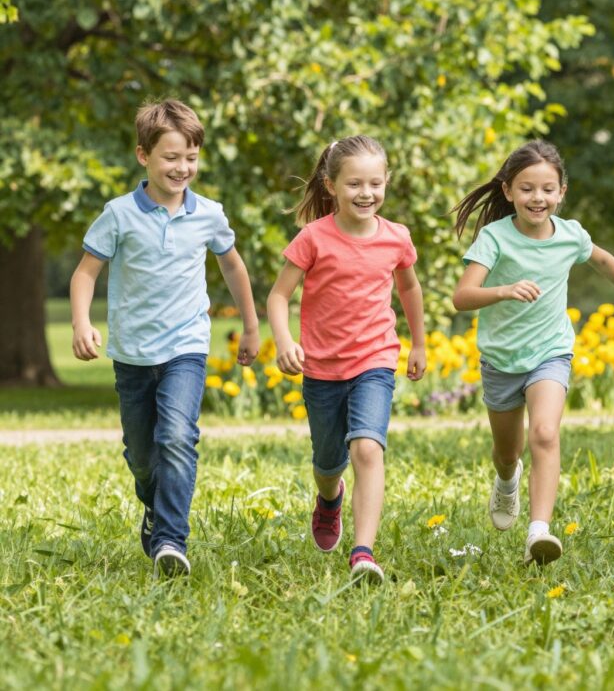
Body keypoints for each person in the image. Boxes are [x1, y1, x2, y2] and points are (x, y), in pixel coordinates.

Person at [70, 99, 259, 578]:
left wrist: (251, 325)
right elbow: (85, 274)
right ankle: (154, 506)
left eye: (191, 157)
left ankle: (171, 540)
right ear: (143, 156)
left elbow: (232, 265)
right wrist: (80, 321)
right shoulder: (117, 214)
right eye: (171, 157)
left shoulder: (209, 214)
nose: (183, 167)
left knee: (177, 437)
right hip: (132, 352)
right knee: (141, 454)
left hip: (186, 347)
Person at [451, 140, 614, 565]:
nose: (537, 198)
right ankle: (508, 482)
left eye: (547, 189)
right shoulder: (496, 237)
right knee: (508, 452)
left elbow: (605, 262)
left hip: (551, 352)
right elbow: (462, 296)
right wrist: (504, 290)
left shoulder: (571, 235)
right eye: (526, 189)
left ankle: (538, 531)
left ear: (561, 191)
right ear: (507, 191)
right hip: (501, 359)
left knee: (545, 433)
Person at [267, 135, 426, 584]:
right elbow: (279, 296)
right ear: (331, 184)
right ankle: (329, 499)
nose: (366, 193)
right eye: (354, 183)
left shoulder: (396, 237)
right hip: (321, 367)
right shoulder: (313, 238)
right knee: (327, 462)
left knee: (367, 449)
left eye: (375, 183)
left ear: (387, 183)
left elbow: (409, 289)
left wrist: (419, 343)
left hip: (375, 359)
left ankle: (363, 552)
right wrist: (283, 341)